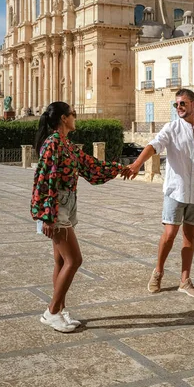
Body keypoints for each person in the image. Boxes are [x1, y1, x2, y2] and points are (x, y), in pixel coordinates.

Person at [31, 101, 128, 332]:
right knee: (75, 260)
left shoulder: (67, 144)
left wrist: (120, 168)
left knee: (61, 261)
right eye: (73, 114)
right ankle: (51, 311)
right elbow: (43, 179)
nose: (76, 117)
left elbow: (91, 166)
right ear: (64, 118)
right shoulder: (53, 143)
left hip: (66, 204)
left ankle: (60, 310)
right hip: (56, 207)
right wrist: (46, 216)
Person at [126, 88, 194, 298]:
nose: (179, 108)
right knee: (169, 234)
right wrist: (137, 164)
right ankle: (158, 271)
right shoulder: (172, 128)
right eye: (176, 104)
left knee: (190, 237)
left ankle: (184, 281)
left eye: (183, 104)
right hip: (175, 190)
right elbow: (154, 145)